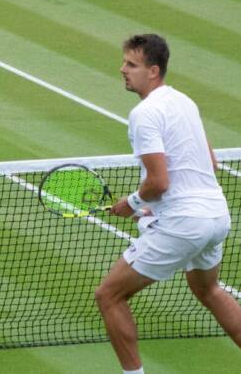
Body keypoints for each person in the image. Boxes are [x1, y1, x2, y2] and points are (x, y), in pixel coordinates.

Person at [95, 34, 241, 373]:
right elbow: (210, 163)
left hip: (186, 223)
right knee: (209, 290)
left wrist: (130, 203)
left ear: (154, 71)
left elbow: (159, 181)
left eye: (132, 65)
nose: (123, 70)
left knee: (109, 295)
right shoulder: (184, 102)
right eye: (125, 62)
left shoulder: (144, 114)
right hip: (216, 216)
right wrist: (155, 208)